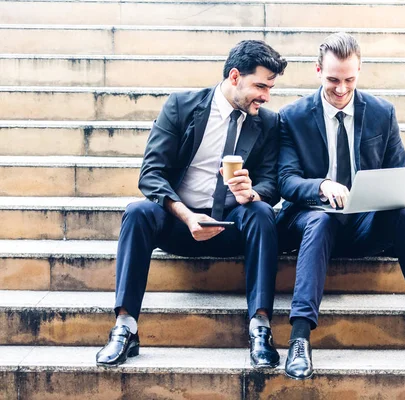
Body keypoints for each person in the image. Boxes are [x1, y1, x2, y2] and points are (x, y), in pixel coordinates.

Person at [276, 32, 405, 380]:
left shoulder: (381, 113)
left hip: (363, 221)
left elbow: (397, 175)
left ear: (360, 70)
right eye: (333, 80)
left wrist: (384, 193)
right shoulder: (292, 116)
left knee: (402, 215)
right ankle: (299, 340)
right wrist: (321, 186)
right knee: (321, 222)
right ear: (317, 70)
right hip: (312, 221)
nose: (341, 89)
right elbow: (285, 181)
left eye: (350, 80)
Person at [96, 40, 288, 368]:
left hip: (232, 224)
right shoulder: (182, 106)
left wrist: (252, 193)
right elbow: (151, 174)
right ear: (234, 76)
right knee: (138, 212)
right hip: (180, 222)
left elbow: (272, 183)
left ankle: (260, 327)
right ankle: (125, 327)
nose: (265, 96)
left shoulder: (268, 123)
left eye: (270, 88)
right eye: (259, 86)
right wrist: (185, 215)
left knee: (262, 213)